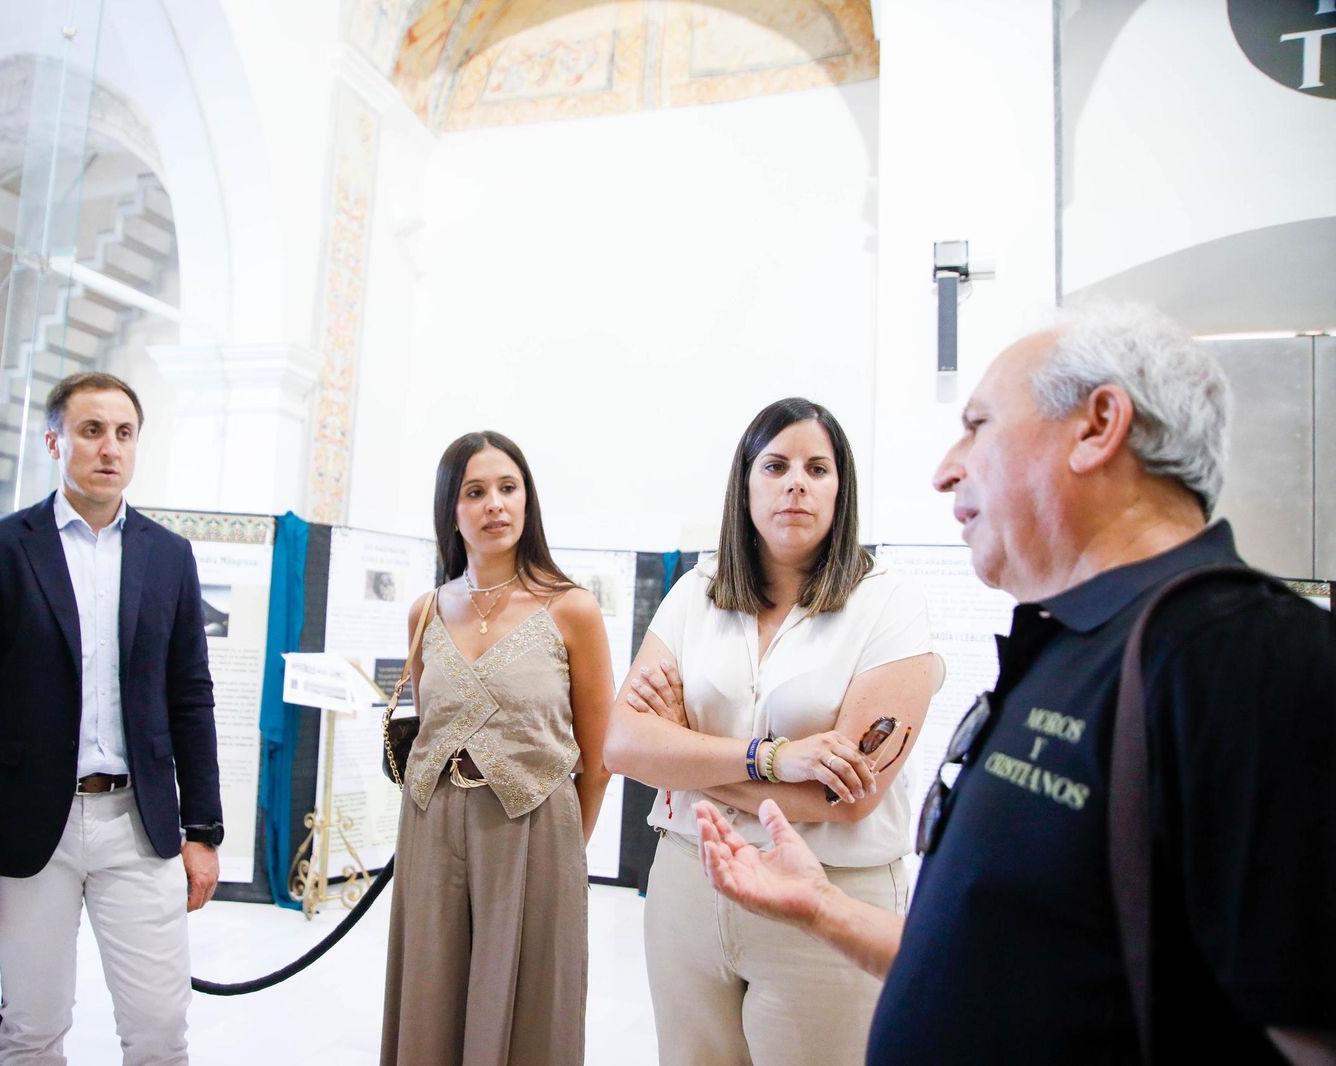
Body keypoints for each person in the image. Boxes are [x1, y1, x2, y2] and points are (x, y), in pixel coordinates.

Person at [695, 304, 1336, 1064]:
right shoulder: (1073, 646)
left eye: (979, 424)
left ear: (1098, 426)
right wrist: (820, 906)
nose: (946, 469)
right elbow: (1000, 963)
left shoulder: (1243, 657)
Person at [604, 398, 941, 1066]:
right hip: (689, 883)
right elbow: (621, 745)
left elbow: (849, 795)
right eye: (776, 465)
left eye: (818, 468)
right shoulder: (698, 590)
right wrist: (775, 760)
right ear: (746, 484)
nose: (796, 483)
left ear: (841, 490)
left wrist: (683, 752)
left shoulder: (888, 601)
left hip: (829, 894)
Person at [0, 372, 223, 1065]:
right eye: (91, 431)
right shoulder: (1, 550)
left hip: (137, 823)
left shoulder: (168, 556)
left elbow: (191, 697)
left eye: (124, 433)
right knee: (32, 1030)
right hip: (31, 828)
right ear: (55, 441)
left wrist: (204, 829)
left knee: (159, 1029)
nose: (109, 448)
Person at [381, 431, 614, 1066]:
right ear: (450, 511)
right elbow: (431, 726)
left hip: (536, 828)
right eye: (474, 492)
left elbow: (598, 757)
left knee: (532, 1001)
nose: (495, 506)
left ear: (528, 500)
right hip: (430, 827)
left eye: (508, 488)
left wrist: (565, 845)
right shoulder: (426, 611)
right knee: (430, 993)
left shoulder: (572, 609)